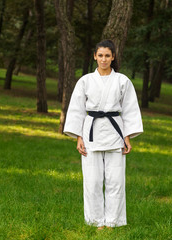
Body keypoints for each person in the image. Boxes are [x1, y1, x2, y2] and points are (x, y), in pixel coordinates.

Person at [63, 40, 143, 229]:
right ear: (95, 56)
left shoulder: (122, 81)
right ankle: (96, 221)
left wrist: (127, 136)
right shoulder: (85, 81)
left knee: (115, 181)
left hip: (115, 132)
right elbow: (76, 109)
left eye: (107, 55)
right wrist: (79, 137)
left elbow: (130, 109)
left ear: (113, 57)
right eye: (100, 55)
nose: (104, 59)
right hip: (91, 134)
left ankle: (113, 222)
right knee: (93, 181)